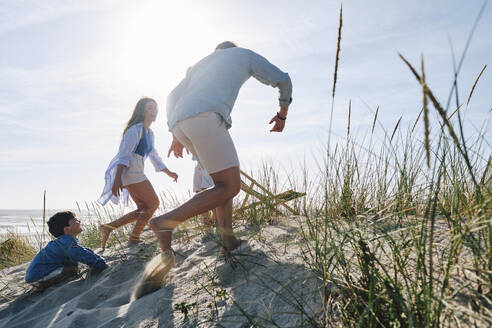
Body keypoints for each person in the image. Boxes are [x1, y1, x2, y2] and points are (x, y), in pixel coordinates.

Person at [149, 41, 292, 259]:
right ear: (232, 49)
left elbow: (171, 96)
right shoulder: (242, 54)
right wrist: (282, 115)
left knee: (221, 184)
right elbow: (283, 79)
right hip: (205, 117)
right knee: (231, 185)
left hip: (180, 123)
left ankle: (228, 240)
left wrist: (174, 134)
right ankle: (166, 222)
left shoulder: (198, 65)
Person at [97, 97, 178, 250]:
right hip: (130, 170)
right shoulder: (135, 129)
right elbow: (124, 155)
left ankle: (109, 227)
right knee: (153, 203)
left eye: (155, 108)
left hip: (136, 170)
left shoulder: (150, 133)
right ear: (142, 111)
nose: (154, 111)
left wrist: (169, 172)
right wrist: (117, 179)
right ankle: (133, 239)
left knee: (143, 208)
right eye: (150, 108)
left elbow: (154, 157)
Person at [25, 211, 108, 291]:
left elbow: (83, 250)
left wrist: (94, 256)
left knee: (73, 267)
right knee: (71, 270)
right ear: (67, 229)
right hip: (37, 276)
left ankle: (41, 283)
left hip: (36, 274)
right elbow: (80, 254)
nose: (79, 221)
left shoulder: (64, 241)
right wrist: (100, 263)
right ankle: (41, 285)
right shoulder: (66, 242)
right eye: (75, 221)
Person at [192, 157, 215, 226]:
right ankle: (206, 220)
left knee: (208, 192)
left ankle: (216, 219)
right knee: (198, 193)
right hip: (198, 163)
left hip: (209, 161)